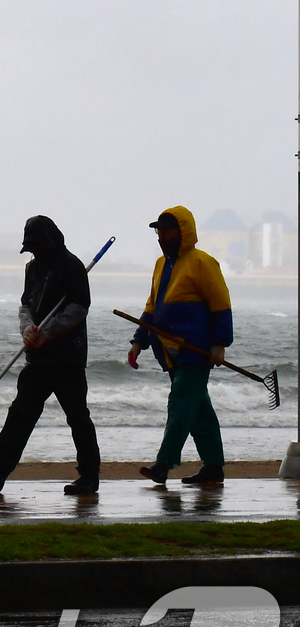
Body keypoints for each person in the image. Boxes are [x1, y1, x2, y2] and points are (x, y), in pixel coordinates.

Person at [0, 216, 100, 495]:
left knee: (77, 416)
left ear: (50, 242)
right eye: (31, 247)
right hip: (37, 356)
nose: (35, 252)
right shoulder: (32, 269)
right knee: (21, 413)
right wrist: (27, 329)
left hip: (66, 357)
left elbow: (79, 307)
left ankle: (89, 476)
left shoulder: (72, 267)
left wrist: (48, 332)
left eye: (38, 246)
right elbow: (26, 305)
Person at [129, 206, 232, 485]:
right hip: (170, 351)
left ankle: (163, 464)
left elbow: (220, 304)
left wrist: (219, 344)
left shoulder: (202, 262)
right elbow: (153, 308)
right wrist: (139, 341)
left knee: (180, 405)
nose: (161, 236)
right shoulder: (161, 265)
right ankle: (213, 467)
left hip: (194, 350)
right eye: (158, 231)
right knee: (199, 410)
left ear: (182, 232)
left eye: (166, 230)